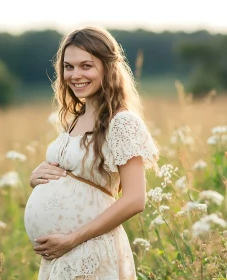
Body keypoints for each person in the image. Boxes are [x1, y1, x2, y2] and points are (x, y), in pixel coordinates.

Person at [24, 26, 159, 280]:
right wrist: (37, 179)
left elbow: (135, 199)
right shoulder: (75, 119)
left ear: (107, 68)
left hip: (90, 248)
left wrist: (72, 238)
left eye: (86, 66)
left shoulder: (122, 122)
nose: (75, 75)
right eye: (69, 66)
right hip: (62, 254)